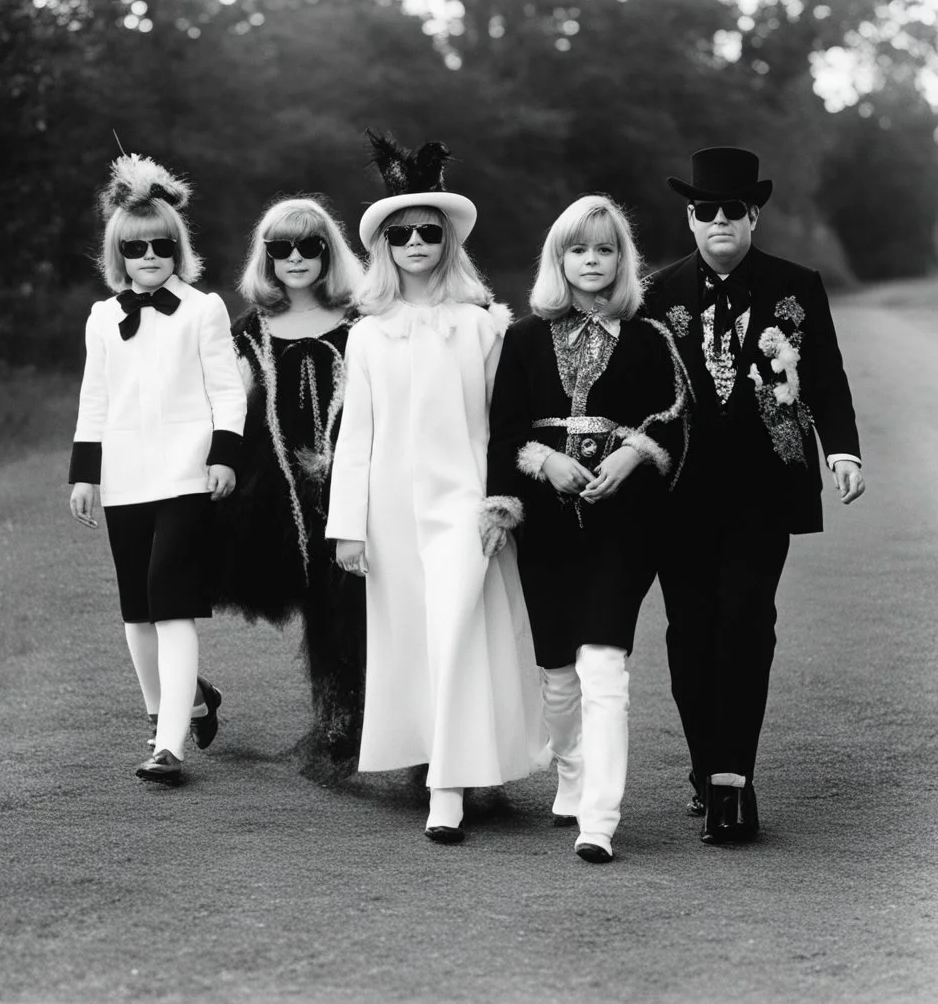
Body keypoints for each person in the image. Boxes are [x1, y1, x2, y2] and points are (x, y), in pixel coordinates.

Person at [325, 132, 546, 844]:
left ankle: (448, 790)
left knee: (458, 635)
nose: (417, 241)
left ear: (447, 242)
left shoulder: (482, 326)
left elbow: (504, 425)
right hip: (389, 514)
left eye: (429, 231)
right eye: (402, 233)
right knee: (414, 644)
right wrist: (348, 527)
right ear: (383, 246)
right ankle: (433, 766)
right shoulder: (366, 335)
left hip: (465, 507)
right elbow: (354, 437)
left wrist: (503, 499)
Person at [645, 147, 865, 843]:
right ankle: (705, 763)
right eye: (704, 210)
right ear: (689, 216)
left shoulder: (797, 286)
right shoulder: (655, 293)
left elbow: (824, 375)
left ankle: (732, 781)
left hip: (764, 489)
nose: (717, 221)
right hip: (676, 494)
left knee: (745, 624)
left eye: (731, 210)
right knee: (690, 631)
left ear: (752, 215)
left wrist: (844, 450)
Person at [486, 194, 691, 863]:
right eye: (579, 248)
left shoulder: (650, 337)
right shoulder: (519, 338)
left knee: (605, 665)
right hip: (544, 523)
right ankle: (571, 776)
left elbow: (677, 413)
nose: (592, 260)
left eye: (605, 248)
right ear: (559, 258)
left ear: (622, 259)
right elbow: (505, 430)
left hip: (624, 525)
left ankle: (599, 819)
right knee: (558, 674)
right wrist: (543, 461)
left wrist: (633, 454)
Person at [68, 153, 247, 785]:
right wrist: (83, 474)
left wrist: (224, 457)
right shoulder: (100, 318)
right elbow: (95, 398)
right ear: (119, 252)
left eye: (161, 244)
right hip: (124, 477)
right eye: (136, 246)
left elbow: (228, 392)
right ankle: (179, 705)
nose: (149, 255)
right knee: (137, 612)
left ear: (178, 247)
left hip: (187, 476)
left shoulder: (204, 309)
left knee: (173, 607)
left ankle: (168, 744)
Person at [213, 196, 367, 763]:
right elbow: (223, 400)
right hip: (272, 489)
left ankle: (350, 721)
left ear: (329, 253)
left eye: (310, 246)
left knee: (347, 602)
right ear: (267, 257)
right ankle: (186, 697)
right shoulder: (249, 329)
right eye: (282, 248)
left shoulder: (360, 323)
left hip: (348, 478)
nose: (296, 258)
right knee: (309, 594)